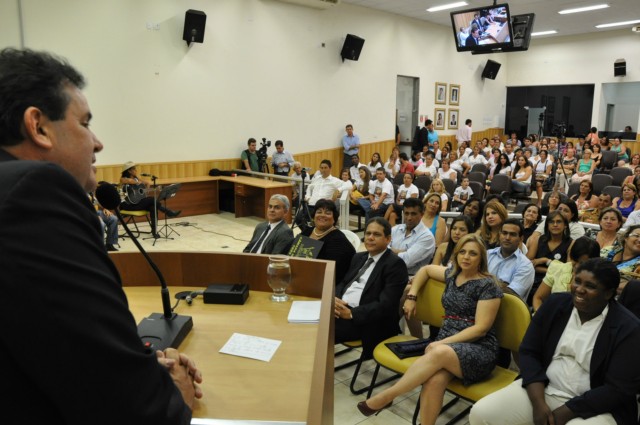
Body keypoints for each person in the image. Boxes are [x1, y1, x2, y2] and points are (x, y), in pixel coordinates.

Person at [0, 48, 201, 423]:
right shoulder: (35, 191)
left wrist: (137, 359)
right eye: (85, 123)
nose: (97, 142)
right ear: (38, 126)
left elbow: (46, 342)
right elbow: (129, 407)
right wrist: (174, 396)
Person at [470, 258, 640, 425]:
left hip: (597, 405)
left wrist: (567, 411)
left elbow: (618, 388)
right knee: (482, 413)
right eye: (577, 281)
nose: (579, 289)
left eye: (590, 286)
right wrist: (538, 403)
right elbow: (529, 351)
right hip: (543, 389)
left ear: (608, 293)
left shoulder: (628, 327)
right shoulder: (555, 304)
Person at [358, 234, 503, 425]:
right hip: (448, 345)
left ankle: (386, 396)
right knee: (434, 380)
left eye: (473, 254)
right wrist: (412, 296)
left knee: (438, 351)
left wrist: (440, 343)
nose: (466, 257)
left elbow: (481, 329)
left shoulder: (488, 285)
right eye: (462, 252)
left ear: (481, 258)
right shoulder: (452, 275)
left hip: (478, 348)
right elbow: (425, 270)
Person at [334, 217, 408, 356]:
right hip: (342, 309)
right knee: (310, 317)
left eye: (377, 234)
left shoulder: (395, 265)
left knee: (321, 330)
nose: (370, 238)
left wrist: (351, 314)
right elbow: (343, 283)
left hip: (368, 321)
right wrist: (335, 300)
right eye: (368, 234)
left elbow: (385, 305)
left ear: (388, 239)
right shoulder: (359, 257)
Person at [531, 236, 601, 313]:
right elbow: (538, 298)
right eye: (575, 260)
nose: (577, 266)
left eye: (582, 263)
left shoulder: (596, 281)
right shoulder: (557, 268)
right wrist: (541, 316)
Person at [299, 199, 355, 284]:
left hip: (321, 283)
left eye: (328, 213)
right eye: (319, 212)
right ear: (314, 216)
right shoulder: (307, 232)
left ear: (334, 218)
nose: (322, 215)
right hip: (299, 278)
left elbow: (335, 272)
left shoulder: (338, 241)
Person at [120, 161, 181, 238]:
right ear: (129, 170)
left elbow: (147, 183)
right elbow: (131, 181)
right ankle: (168, 212)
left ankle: (154, 231)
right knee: (152, 199)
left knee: (153, 207)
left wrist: (145, 190)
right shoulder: (123, 179)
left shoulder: (136, 178)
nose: (136, 170)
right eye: (134, 169)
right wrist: (139, 180)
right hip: (128, 205)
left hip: (136, 202)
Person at [527, 210, 573, 304]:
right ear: (547, 225)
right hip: (533, 280)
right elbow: (527, 264)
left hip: (555, 285)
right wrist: (553, 270)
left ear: (565, 225)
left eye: (559, 221)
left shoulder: (571, 243)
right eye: (551, 222)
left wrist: (544, 260)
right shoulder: (538, 239)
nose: (555, 224)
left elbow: (566, 272)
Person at [487, 219, 535, 300]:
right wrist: (502, 284)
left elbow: (511, 294)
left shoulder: (525, 265)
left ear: (521, 239)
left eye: (512, 234)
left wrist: (483, 280)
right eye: (504, 233)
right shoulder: (487, 254)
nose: (507, 238)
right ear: (499, 235)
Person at [389, 198, 436, 275]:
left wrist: (388, 250)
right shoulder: (395, 229)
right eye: (406, 213)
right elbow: (380, 249)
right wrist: (404, 252)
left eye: (413, 214)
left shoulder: (427, 237)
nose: (409, 218)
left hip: (410, 278)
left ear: (421, 214)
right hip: (389, 272)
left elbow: (406, 261)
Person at [604, 224, 640, 295]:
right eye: (636, 235)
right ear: (626, 238)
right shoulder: (607, 250)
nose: (639, 240)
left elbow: (634, 288)